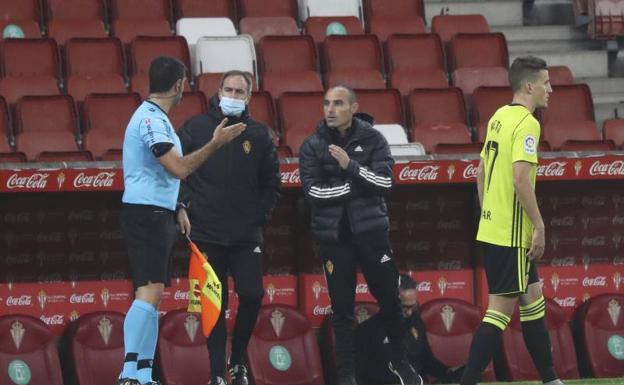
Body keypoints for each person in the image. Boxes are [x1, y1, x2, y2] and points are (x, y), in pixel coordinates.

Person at [118, 56, 246, 385]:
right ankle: (128, 373)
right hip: (144, 214)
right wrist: (215, 143)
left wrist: (178, 206)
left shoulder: (159, 118)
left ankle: (143, 374)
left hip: (159, 212)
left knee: (154, 293)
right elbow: (179, 168)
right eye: (184, 82)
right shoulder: (150, 120)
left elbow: (164, 175)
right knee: (147, 292)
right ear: (178, 85)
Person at [299, 85, 422, 385]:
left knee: (390, 301)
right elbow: (312, 191)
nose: (330, 109)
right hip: (334, 239)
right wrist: (355, 187)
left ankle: (401, 362)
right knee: (341, 310)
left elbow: (383, 183)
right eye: (326, 103)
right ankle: (346, 376)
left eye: (338, 103)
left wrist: (350, 166)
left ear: (353, 108)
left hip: (371, 234)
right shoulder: (312, 144)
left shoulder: (373, 139)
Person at [459, 56, 564, 385]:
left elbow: (480, 172)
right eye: (546, 83)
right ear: (530, 86)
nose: (551, 89)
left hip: (492, 227)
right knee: (498, 313)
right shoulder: (528, 124)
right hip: (512, 232)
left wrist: (490, 210)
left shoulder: (499, 117)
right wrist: (540, 226)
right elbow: (521, 180)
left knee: (533, 301)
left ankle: (550, 378)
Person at [177, 70, 281, 385]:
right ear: (218, 90)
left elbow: (271, 184)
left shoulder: (259, 134)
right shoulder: (195, 128)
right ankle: (216, 374)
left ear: (249, 97)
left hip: (245, 235)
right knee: (214, 305)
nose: (232, 96)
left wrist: (258, 217)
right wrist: (182, 206)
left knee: (252, 294)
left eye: (239, 92)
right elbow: (175, 171)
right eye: (228, 89)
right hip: (205, 232)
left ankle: (237, 362)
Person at [355, 275, 464, 385]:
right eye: (404, 307)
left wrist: (447, 371)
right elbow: (359, 376)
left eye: (413, 306)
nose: (409, 313)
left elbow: (427, 360)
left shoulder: (416, 322)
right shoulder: (366, 331)